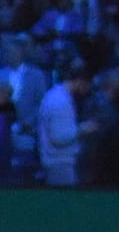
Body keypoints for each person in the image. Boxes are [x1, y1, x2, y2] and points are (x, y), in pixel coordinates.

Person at [37, 59, 89, 187]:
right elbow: (58, 138)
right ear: (80, 81)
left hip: (58, 162)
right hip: (60, 163)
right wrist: (83, 129)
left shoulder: (56, 95)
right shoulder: (61, 102)